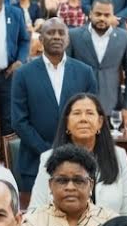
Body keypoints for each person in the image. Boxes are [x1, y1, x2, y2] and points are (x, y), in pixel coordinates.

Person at [10, 18, 96, 189]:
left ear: (68, 39)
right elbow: (19, 121)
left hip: (78, 164)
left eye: (61, 33)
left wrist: (71, 153)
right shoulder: (23, 74)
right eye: (50, 32)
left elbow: (91, 116)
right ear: (40, 39)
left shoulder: (85, 72)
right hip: (35, 165)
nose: (56, 37)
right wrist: (49, 153)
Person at [29, 94, 127, 217]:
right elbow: (34, 212)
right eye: (77, 113)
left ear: (100, 122)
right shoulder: (49, 159)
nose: (83, 119)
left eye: (90, 113)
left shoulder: (119, 157)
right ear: (67, 123)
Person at [67, 0, 127, 132]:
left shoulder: (125, 37)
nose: (102, 18)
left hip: (113, 108)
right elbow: (65, 72)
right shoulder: (73, 35)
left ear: (113, 16)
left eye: (107, 15)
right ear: (90, 14)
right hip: (79, 107)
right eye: (98, 14)